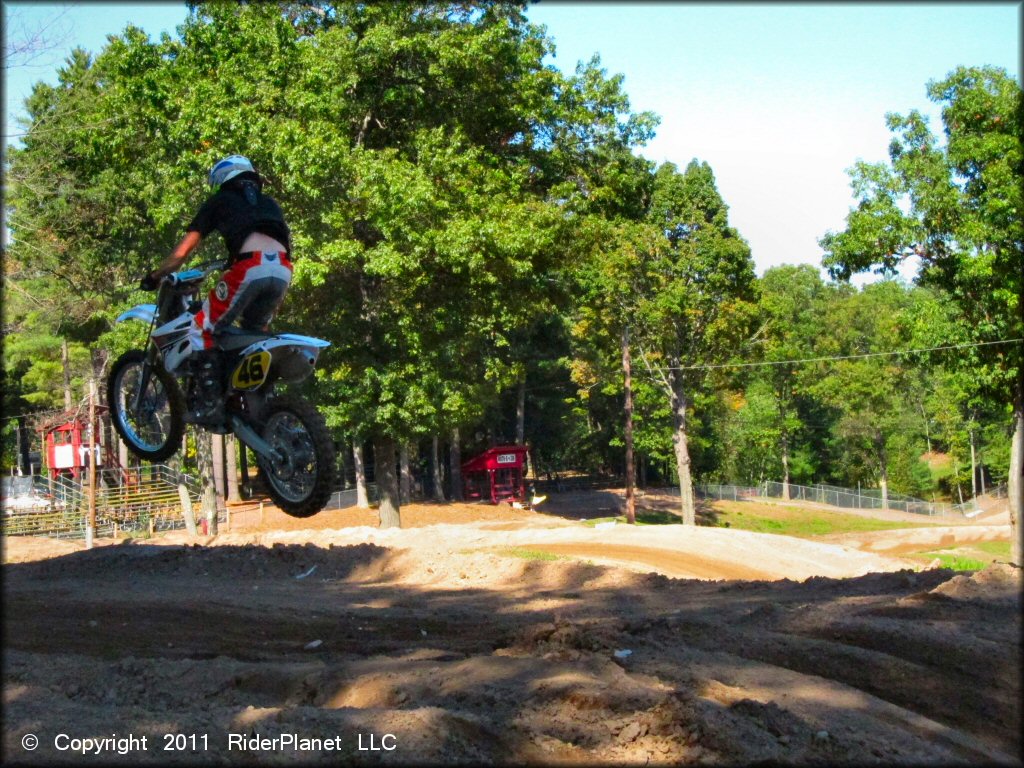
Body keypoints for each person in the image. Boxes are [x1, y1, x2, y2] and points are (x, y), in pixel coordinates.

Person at [141, 155, 293, 425]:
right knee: (255, 334)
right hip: (282, 269)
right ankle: (255, 394)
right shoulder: (270, 203)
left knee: (200, 328)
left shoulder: (220, 200)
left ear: (222, 179)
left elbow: (182, 253)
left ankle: (210, 404)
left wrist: (155, 275)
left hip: (250, 267)